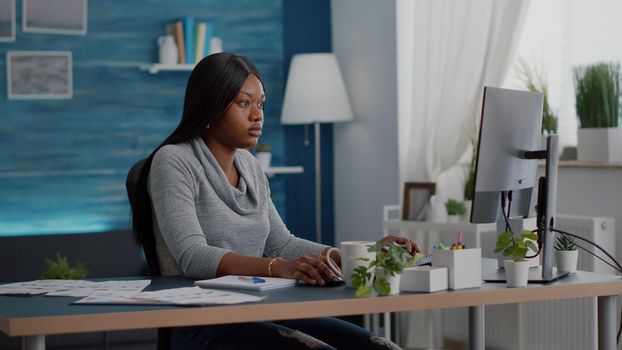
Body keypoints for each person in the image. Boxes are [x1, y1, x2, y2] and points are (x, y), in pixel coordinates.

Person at [131, 52, 420, 350]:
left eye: (261, 104)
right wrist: (278, 267)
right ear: (211, 106)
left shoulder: (252, 166)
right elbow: (192, 255)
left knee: (382, 347)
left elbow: (282, 243)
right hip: (202, 324)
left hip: (263, 310)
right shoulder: (174, 161)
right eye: (244, 103)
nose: (258, 115)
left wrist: (364, 255)